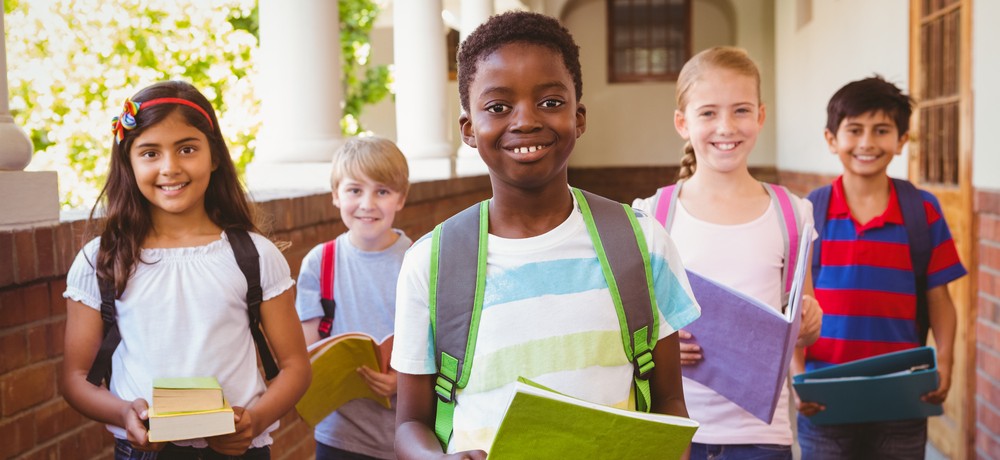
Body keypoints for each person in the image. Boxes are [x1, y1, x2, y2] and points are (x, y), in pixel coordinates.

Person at [391, 11, 702, 459]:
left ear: (578, 118)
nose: (525, 121)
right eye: (498, 107)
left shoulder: (641, 243)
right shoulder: (434, 263)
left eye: (550, 102)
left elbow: (669, 399)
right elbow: (410, 424)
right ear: (469, 130)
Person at [60, 81, 311, 459]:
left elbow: (295, 366)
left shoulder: (255, 255)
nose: (170, 167)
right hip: (144, 451)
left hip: (238, 450)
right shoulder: (101, 260)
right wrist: (124, 412)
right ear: (128, 162)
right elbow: (75, 378)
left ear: (214, 157)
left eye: (187, 149)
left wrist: (255, 421)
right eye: (150, 153)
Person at [632, 46, 823, 459]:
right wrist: (658, 344)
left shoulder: (792, 213)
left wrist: (809, 321)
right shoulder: (653, 215)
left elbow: (803, 318)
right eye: (708, 113)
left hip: (763, 435)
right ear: (683, 123)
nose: (726, 126)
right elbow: (634, 324)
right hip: (678, 429)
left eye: (740, 110)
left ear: (761, 116)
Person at [794, 76, 967, 459]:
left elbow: (939, 298)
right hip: (826, 396)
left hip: (902, 395)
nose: (867, 143)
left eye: (882, 130)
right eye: (854, 130)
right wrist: (796, 374)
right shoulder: (810, 212)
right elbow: (796, 305)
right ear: (831, 139)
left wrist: (947, 364)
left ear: (902, 140)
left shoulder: (921, 211)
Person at [295, 136, 411, 459]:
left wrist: (402, 380)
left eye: (382, 191)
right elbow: (308, 351)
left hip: (405, 433)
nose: (367, 204)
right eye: (355, 190)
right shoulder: (320, 263)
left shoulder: (420, 261)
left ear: (401, 198)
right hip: (338, 435)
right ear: (336, 195)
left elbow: (440, 342)